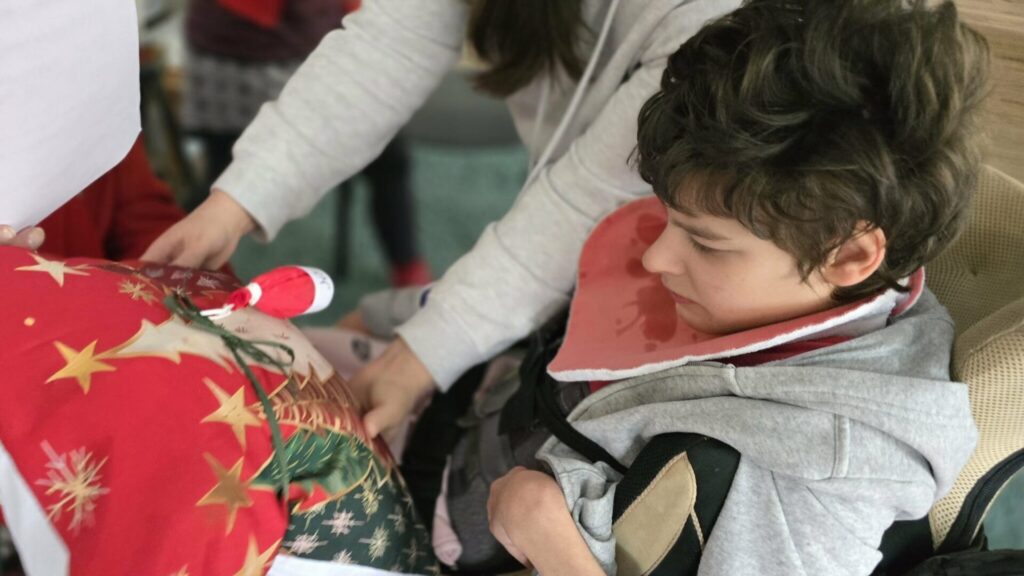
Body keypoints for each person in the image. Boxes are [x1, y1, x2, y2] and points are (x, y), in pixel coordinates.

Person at [357, 0, 989, 573]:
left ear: (850, 255)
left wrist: (543, 527)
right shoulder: (784, 262)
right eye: (664, 217)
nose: (656, 257)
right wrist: (413, 334)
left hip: (430, 524)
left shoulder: (817, 471)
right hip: (474, 405)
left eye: (704, 242)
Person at [142, 0, 744, 438]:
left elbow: (583, 200)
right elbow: (384, 49)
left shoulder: (713, 22)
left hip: (671, 311)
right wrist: (234, 204)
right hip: (573, 260)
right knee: (369, 323)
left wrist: (421, 356)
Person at [182, 0, 430, 286]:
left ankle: (406, 263)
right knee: (221, 178)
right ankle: (180, 264)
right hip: (238, 54)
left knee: (388, 154)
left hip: (319, 41)